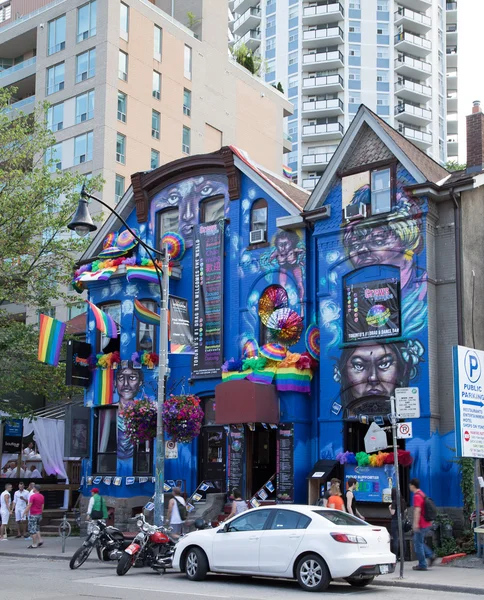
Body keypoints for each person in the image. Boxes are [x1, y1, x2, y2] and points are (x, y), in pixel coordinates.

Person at [409, 478, 436, 570]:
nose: (409, 487)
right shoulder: (422, 494)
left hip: (421, 524)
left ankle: (422, 564)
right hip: (426, 523)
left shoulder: (416, 496)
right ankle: (430, 555)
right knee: (419, 542)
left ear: (412, 485)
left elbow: (417, 510)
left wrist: (415, 524)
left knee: (418, 545)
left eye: (410, 485)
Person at [23, 484, 44, 549]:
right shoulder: (42, 496)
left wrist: (25, 512)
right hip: (39, 514)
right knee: (37, 527)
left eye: (33, 488)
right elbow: (42, 505)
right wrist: (41, 512)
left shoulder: (33, 496)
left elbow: (29, 505)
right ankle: (40, 540)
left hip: (33, 514)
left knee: (33, 529)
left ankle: (34, 544)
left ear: (35, 489)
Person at [389, 487, 407, 557]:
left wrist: (389, 508)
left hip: (395, 521)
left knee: (395, 539)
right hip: (402, 520)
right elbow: (405, 511)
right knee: (402, 538)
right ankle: (404, 556)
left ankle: (395, 555)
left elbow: (392, 513)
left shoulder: (394, 502)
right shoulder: (403, 501)